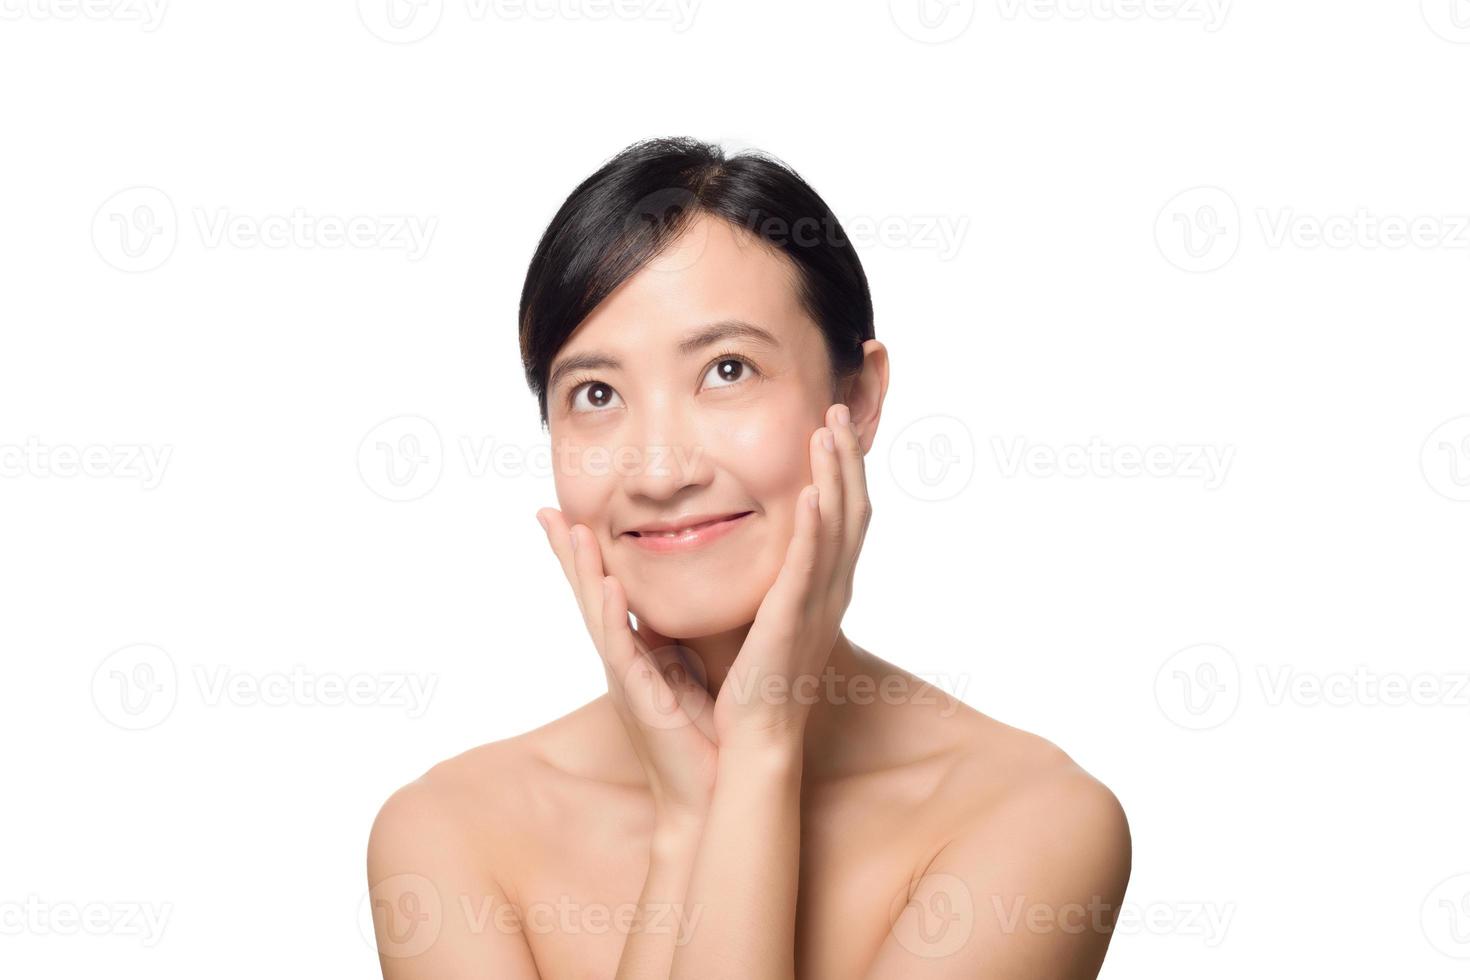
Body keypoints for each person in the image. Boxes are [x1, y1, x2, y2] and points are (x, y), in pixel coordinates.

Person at [367, 136, 1131, 978]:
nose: (660, 471)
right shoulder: (449, 834)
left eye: (727, 370)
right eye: (596, 394)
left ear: (859, 397)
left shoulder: (1031, 819)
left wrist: (760, 747)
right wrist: (687, 822)